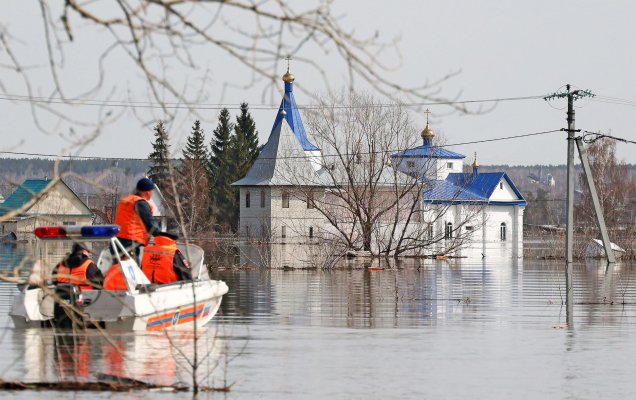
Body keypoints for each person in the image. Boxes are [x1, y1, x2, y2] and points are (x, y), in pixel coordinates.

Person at [114, 177, 161, 261]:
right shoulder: (140, 203)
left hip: (117, 241)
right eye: (152, 191)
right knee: (133, 272)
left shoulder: (126, 200)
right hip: (130, 243)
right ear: (148, 192)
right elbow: (150, 225)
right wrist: (162, 236)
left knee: (118, 270)